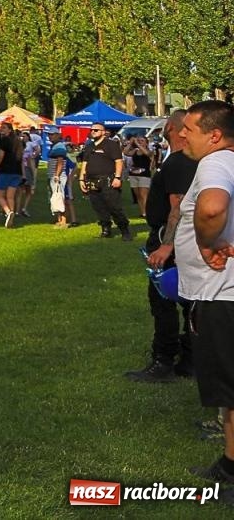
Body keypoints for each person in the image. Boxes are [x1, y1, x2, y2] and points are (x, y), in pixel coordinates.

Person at [172, 101, 234, 484]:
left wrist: (206, 242)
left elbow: (211, 209)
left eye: (188, 129)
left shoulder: (215, 163)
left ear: (214, 135)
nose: (180, 134)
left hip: (223, 294)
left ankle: (230, 471)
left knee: (230, 389)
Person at [127, 110, 195, 383]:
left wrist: (167, 245)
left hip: (170, 238)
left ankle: (163, 360)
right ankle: (190, 359)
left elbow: (177, 207)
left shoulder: (179, 162)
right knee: (191, 302)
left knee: (164, 301)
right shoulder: (187, 161)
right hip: (184, 238)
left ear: (171, 128)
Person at [79, 122, 133, 240]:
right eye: (92, 130)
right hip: (92, 180)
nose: (93, 132)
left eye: (96, 130)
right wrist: (81, 179)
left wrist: (118, 178)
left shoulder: (111, 145)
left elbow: (118, 161)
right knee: (98, 206)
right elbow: (85, 163)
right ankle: (106, 230)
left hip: (108, 180)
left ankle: (125, 230)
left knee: (114, 206)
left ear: (103, 132)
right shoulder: (89, 146)